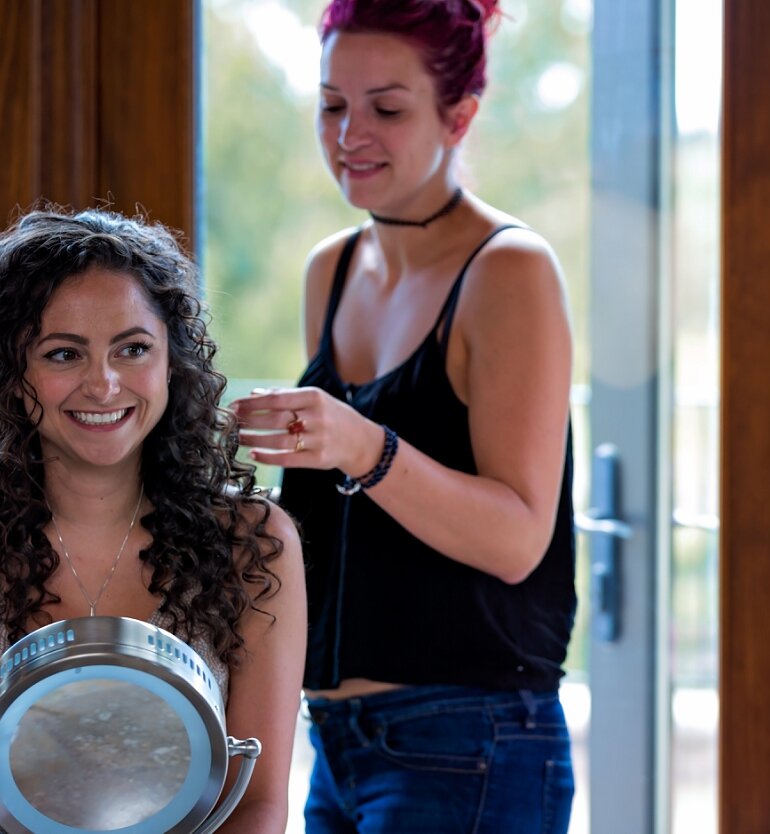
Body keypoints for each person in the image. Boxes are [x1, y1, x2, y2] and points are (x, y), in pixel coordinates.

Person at [231, 1, 578, 831]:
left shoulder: (511, 272)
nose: (350, 134)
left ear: (459, 116)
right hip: (335, 742)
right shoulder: (333, 269)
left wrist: (360, 444)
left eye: (386, 108)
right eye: (331, 105)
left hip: (471, 739)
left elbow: (519, 537)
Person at [0, 207, 305, 834]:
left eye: (132, 348)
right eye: (63, 353)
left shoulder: (255, 546)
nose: (102, 384)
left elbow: (259, 803)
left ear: (172, 363)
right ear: (12, 377)